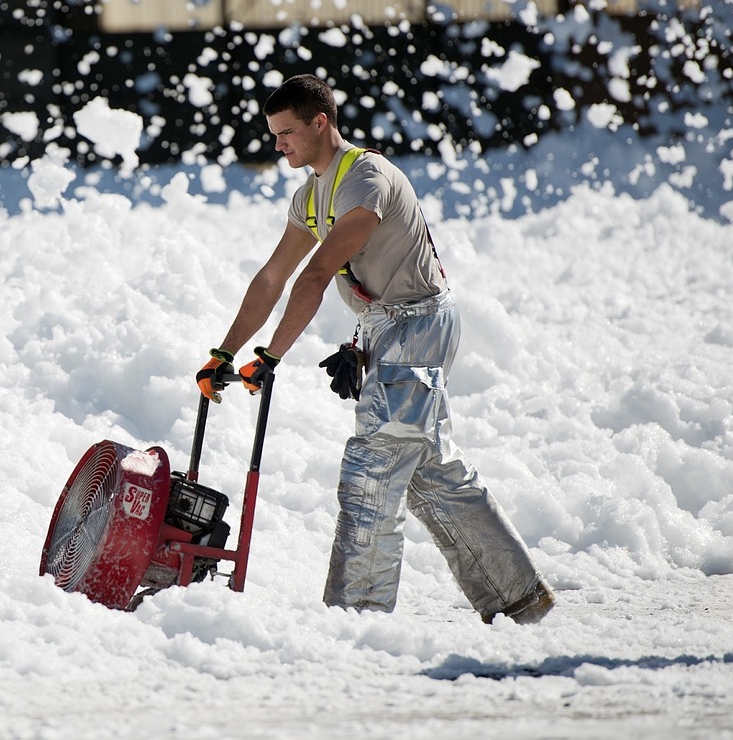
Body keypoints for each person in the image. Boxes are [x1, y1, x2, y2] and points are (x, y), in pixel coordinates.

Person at [196, 74, 554, 624]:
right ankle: (518, 596)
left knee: (374, 467)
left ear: (322, 123)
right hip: (387, 327)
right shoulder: (310, 195)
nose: (278, 145)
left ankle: (354, 617)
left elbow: (315, 274)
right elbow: (272, 277)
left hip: (419, 324)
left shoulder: (365, 178)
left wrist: (270, 357)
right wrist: (223, 353)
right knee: (428, 470)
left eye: (287, 132)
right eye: (273, 135)